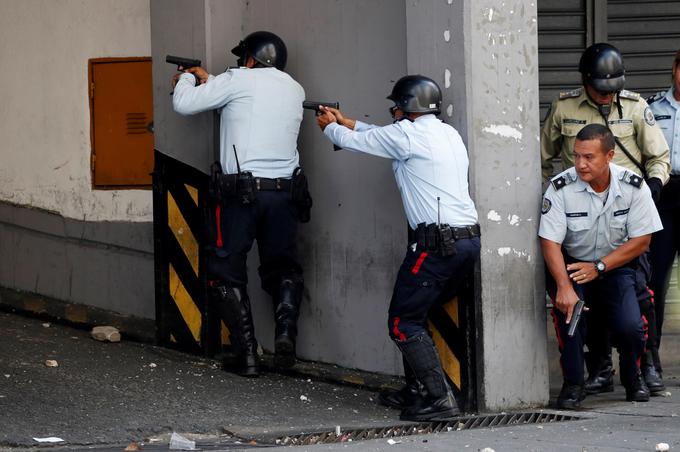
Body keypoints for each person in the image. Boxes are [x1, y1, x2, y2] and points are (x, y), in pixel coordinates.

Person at [315, 75, 481, 421]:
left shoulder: (406, 135)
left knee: (402, 321)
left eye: (396, 106)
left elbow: (367, 142)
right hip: (466, 242)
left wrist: (331, 128)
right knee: (418, 314)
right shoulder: (447, 133)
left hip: (435, 245)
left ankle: (439, 400)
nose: (393, 111)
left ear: (406, 107)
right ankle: (417, 390)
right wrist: (348, 121)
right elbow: (380, 137)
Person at [172, 31, 308, 376]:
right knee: (283, 269)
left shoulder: (237, 80)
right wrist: (213, 80)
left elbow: (184, 103)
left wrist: (189, 76)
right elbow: (251, 102)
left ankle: (247, 354)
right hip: (285, 194)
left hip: (242, 196)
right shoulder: (294, 88)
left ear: (251, 59)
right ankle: (285, 335)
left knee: (225, 270)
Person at [540, 42, 670, 395]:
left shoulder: (635, 106)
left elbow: (659, 155)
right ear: (585, 82)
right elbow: (542, 156)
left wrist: (654, 185)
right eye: (600, 90)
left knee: (641, 297)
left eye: (611, 91)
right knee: (590, 299)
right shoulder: (564, 107)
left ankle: (647, 365)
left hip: (626, 216)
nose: (605, 97)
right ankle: (599, 366)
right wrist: (552, 200)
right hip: (580, 212)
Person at [540, 124, 662, 409]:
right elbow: (550, 241)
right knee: (571, 318)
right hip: (572, 266)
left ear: (609, 155)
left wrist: (600, 267)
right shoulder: (561, 187)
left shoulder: (633, 186)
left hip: (616, 264)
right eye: (577, 156)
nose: (580, 164)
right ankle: (573, 384)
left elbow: (642, 240)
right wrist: (563, 286)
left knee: (631, 326)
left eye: (589, 157)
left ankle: (633, 379)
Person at [647, 49, 680, 377]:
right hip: (665, 196)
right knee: (656, 278)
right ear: (674, 68)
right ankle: (651, 360)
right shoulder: (653, 108)